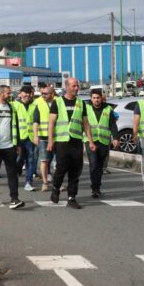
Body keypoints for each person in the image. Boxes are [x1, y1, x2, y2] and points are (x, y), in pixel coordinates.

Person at [47, 77, 86, 209]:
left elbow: (86, 123)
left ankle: (71, 197)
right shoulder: (57, 102)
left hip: (76, 141)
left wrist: (90, 140)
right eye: (74, 86)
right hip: (62, 141)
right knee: (61, 169)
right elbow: (51, 122)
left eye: (77, 86)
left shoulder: (81, 103)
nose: (76, 88)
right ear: (67, 86)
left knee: (75, 171)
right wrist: (50, 141)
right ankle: (56, 188)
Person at [83, 88, 119, 198]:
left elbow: (112, 124)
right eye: (94, 98)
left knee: (99, 167)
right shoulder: (86, 108)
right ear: (91, 99)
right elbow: (82, 123)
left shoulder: (108, 109)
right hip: (90, 141)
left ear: (101, 98)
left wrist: (115, 138)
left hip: (103, 141)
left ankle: (97, 187)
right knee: (93, 164)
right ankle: (94, 188)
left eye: (98, 98)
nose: (96, 100)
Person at [13, 86, 37, 192]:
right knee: (19, 159)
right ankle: (16, 173)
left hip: (30, 137)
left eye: (29, 93)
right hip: (18, 137)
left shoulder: (35, 105)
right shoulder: (14, 105)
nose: (27, 95)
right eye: (25, 93)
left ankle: (28, 182)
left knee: (30, 160)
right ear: (20, 94)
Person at [32, 86, 56, 191]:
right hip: (43, 136)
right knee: (44, 160)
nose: (43, 95)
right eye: (42, 93)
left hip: (57, 137)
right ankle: (45, 182)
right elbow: (35, 121)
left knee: (58, 161)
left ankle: (57, 183)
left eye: (46, 93)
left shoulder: (58, 102)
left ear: (52, 94)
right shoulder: (39, 104)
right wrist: (35, 135)